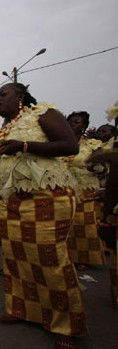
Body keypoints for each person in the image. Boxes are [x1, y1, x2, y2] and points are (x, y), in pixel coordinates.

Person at [0, 83, 85, 349]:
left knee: (50, 260)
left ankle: (65, 326)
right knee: (17, 258)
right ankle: (22, 309)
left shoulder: (43, 113)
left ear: (20, 97)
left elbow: (70, 146)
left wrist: (22, 145)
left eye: (2, 95)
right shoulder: (5, 128)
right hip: (14, 201)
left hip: (48, 197)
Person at [63, 111, 105, 271]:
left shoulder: (92, 145)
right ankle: (66, 255)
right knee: (66, 223)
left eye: (77, 122)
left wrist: (95, 167)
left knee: (83, 224)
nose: (73, 124)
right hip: (65, 188)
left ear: (84, 125)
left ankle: (83, 258)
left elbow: (102, 167)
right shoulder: (60, 143)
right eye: (70, 122)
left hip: (86, 189)